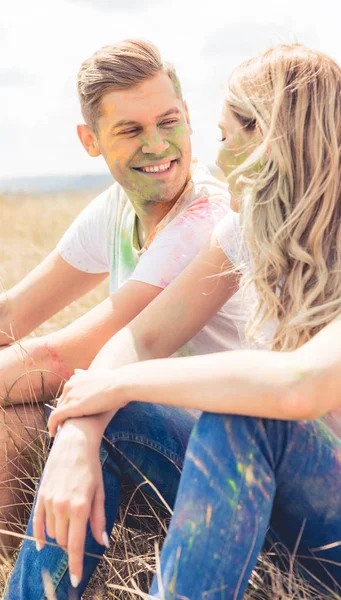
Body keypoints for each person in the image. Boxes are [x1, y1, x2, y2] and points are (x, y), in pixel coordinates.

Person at [8, 43, 341, 599]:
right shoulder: (245, 236)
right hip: (273, 508)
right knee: (128, 414)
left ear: (269, 144)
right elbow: (142, 337)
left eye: (225, 137)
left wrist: (113, 383)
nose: (215, 161)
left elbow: (300, 388)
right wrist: (82, 429)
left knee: (244, 417)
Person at [0, 39, 246, 552]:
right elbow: (12, 315)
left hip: (223, 449)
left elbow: (62, 357)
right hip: (142, 425)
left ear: (189, 119)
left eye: (169, 121)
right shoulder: (117, 208)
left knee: (16, 425)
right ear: (90, 140)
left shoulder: (205, 217)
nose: (157, 145)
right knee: (15, 416)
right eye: (130, 130)